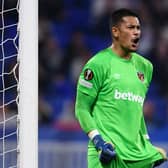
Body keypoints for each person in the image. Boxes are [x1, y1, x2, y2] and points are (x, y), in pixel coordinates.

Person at [75, 8, 167, 168]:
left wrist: (147, 143)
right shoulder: (97, 64)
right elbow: (81, 108)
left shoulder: (145, 67)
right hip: (107, 154)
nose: (137, 32)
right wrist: (98, 141)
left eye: (138, 28)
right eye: (131, 28)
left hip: (135, 156)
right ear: (116, 32)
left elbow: (136, 109)